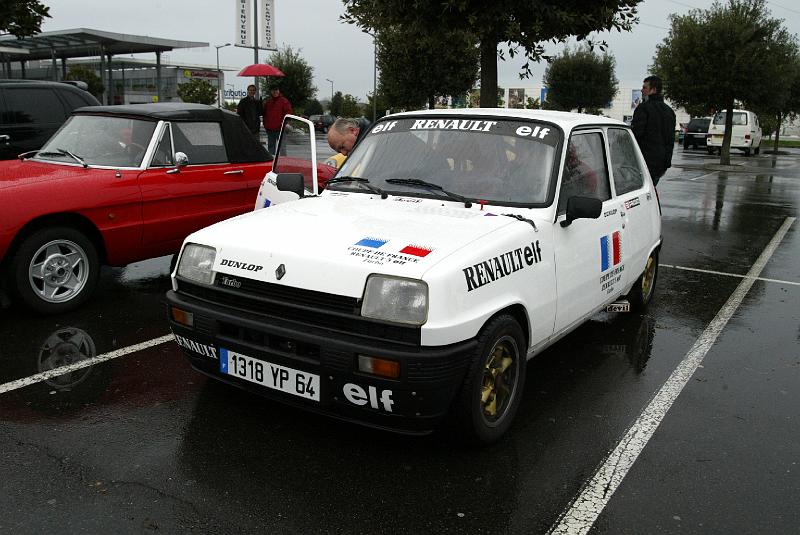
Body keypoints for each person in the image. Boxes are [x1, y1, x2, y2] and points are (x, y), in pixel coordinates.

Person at [631, 75, 676, 186]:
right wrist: (666, 164)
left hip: (643, 161)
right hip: (660, 164)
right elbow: (670, 140)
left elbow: (636, 135)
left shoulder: (643, 108)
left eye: (645, 87)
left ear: (654, 90)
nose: (642, 90)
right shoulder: (669, 111)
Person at [262, 84, 292, 154]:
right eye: (273, 90)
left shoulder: (284, 101)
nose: (275, 92)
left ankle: (283, 163)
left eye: (276, 90)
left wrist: (284, 123)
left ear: (279, 91)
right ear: (270, 91)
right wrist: (266, 125)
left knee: (282, 148)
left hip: (280, 129)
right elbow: (264, 113)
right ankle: (272, 163)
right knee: (271, 148)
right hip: (270, 129)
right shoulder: (267, 101)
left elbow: (288, 113)